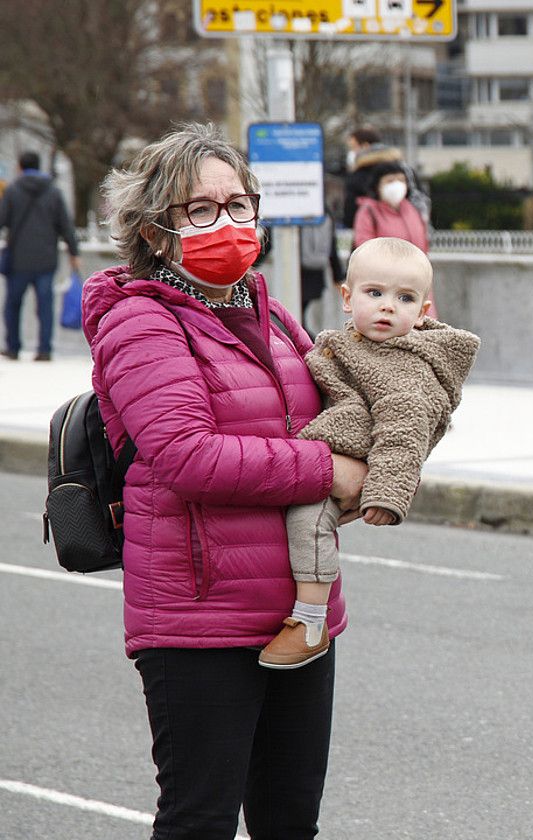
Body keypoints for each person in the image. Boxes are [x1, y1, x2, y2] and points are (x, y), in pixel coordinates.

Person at [82, 123, 368, 838]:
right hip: (199, 619)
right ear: (154, 231)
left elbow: (331, 420)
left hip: (302, 615)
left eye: (240, 205)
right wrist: (328, 470)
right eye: (201, 210)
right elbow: (187, 455)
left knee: (288, 820)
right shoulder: (139, 322)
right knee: (198, 821)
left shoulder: (269, 313)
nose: (229, 224)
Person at [261, 237, 478, 667]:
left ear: (422, 313)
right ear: (347, 297)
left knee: (309, 522)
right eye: (374, 293)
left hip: (360, 458)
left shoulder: (407, 366)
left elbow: (404, 431)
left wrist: (386, 492)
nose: (387, 307)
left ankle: (309, 621)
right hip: (330, 447)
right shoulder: (352, 344)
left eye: (405, 298)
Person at [0, 150, 81, 361]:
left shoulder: (13, 190)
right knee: (45, 306)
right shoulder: (53, 192)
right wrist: (74, 252)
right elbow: (65, 225)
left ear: (20, 166)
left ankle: (13, 347)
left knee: (13, 305)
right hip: (46, 258)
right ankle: (44, 349)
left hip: (18, 259)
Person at [353, 161, 429, 252]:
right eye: (390, 180)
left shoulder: (412, 209)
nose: (397, 185)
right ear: (377, 185)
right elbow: (364, 247)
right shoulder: (368, 211)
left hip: (414, 265)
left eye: (401, 180)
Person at [299, 208, 345, 325]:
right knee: (300, 319)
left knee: (298, 320)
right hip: (315, 273)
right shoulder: (323, 209)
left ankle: (308, 343)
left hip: (298, 273)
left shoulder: (294, 207)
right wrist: (337, 275)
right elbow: (332, 247)